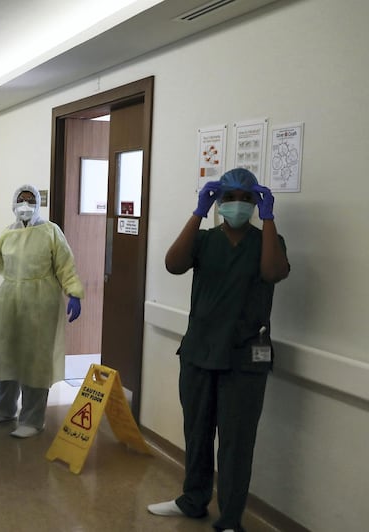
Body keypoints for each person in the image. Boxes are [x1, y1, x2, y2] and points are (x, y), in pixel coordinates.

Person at [148, 168, 290, 532]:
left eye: (247, 199)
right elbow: (173, 263)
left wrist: (270, 217)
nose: (238, 206)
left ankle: (230, 518)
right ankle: (192, 500)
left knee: (237, 441)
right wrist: (198, 212)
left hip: (247, 357)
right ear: (218, 202)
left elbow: (273, 273)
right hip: (199, 350)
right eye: (230, 198)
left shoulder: (268, 241)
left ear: (256, 204)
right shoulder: (205, 239)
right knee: (196, 433)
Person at [0, 184, 84, 438]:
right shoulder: (8, 233)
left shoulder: (51, 232)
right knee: (5, 355)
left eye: (31, 200)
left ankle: (32, 418)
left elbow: (65, 265)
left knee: (35, 362)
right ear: (13, 204)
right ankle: (4, 409)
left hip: (41, 304)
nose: (25, 205)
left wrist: (73, 292)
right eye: (21, 200)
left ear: (39, 204)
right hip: (10, 302)